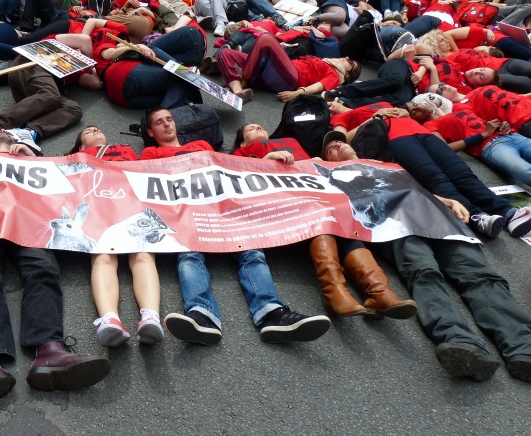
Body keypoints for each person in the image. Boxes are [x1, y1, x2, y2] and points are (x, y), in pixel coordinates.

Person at [320, 131, 531, 383]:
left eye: (340, 141)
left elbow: (416, 189)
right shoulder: (326, 173)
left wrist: (449, 202)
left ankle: (524, 348)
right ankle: (463, 344)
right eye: (330, 148)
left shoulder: (389, 164)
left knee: (481, 276)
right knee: (424, 274)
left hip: (435, 215)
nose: (337, 145)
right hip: (392, 225)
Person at [0, 131, 111, 403]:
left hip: (28, 219)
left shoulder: (33, 160)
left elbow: (68, 180)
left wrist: (33, 157)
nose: (2, 133)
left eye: (9, 134)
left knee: (42, 270)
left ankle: (50, 349)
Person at [141, 107, 331, 345]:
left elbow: (228, 169)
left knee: (252, 252)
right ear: (151, 131)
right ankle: (202, 315)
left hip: (222, 204)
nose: (167, 124)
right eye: (159, 122)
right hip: (184, 209)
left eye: (169, 119)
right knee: (189, 256)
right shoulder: (151, 153)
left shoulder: (202, 144)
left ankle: (272, 313)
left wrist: (264, 162)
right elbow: (147, 179)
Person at [232, 123, 417, 319]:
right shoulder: (241, 153)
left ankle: (379, 292)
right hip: (287, 201)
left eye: (259, 125)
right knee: (321, 221)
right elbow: (233, 176)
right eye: (250, 129)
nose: (258, 126)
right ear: (243, 142)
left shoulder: (292, 142)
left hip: (316, 192)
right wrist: (265, 161)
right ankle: (335, 292)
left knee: (346, 226)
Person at [322, 120, 531, 239]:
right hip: (395, 139)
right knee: (435, 177)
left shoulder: (399, 102)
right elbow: (340, 137)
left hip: (422, 132)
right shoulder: (352, 115)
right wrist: (371, 119)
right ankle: (476, 217)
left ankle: (508, 212)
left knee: (463, 174)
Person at [70, 125, 163, 346]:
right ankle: (109, 319)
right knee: (103, 256)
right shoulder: (75, 157)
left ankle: (151, 317)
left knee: (142, 254)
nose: (94, 129)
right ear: (81, 146)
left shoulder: (126, 149)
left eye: (96, 128)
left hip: (130, 199)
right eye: (87, 131)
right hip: (97, 202)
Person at [0, 59, 83, 152]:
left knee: (74, 109)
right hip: (30, 65)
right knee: (50, 94)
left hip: (41, 93)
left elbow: (93, 82)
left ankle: (28, 132)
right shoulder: (78, 35)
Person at [216, 30, 359, 102]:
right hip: (279, 71)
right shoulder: (327, 61)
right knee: (225, 53)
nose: (346, 58)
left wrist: (297, 93)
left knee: (266, 38)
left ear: (347, 75)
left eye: (350, 62)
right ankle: (237, 92)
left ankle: (245, 78)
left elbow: (318, 87)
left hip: (292, 78)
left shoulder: (335, 75)